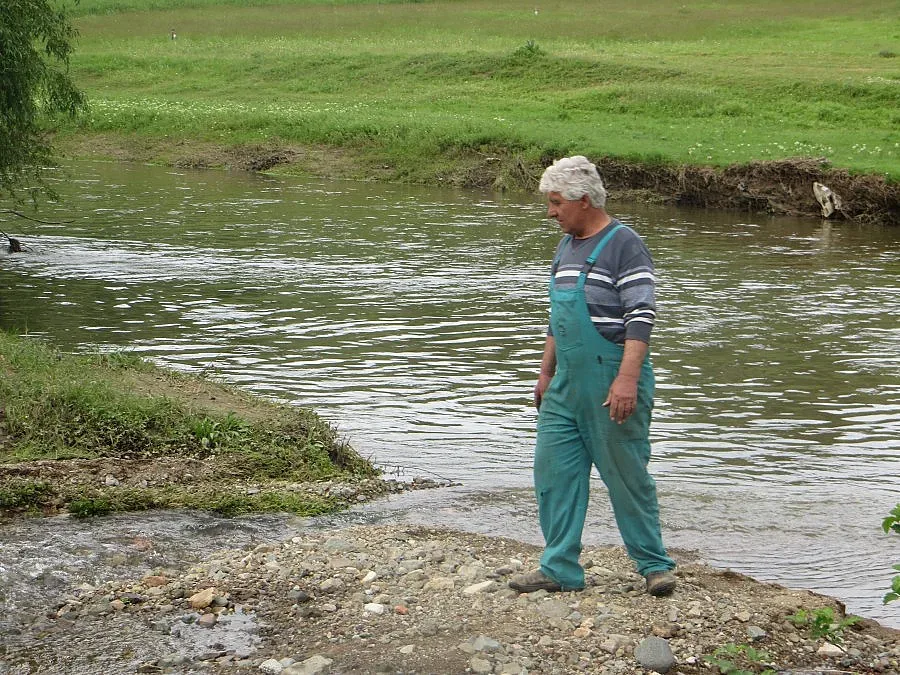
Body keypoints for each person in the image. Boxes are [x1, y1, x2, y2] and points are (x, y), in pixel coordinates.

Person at [508, 156, 677, 597]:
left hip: (612, 378)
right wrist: (545, 373)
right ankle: (559, 567)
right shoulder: (565, 247)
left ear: (583, 201)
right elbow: (555, 318)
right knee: (553, 475)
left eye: (556, 202)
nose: (551, 212)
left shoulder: (625, 244)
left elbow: (642, 315)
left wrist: (626, 379)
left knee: (626, 476)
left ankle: (654, 565)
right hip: (565, 383)